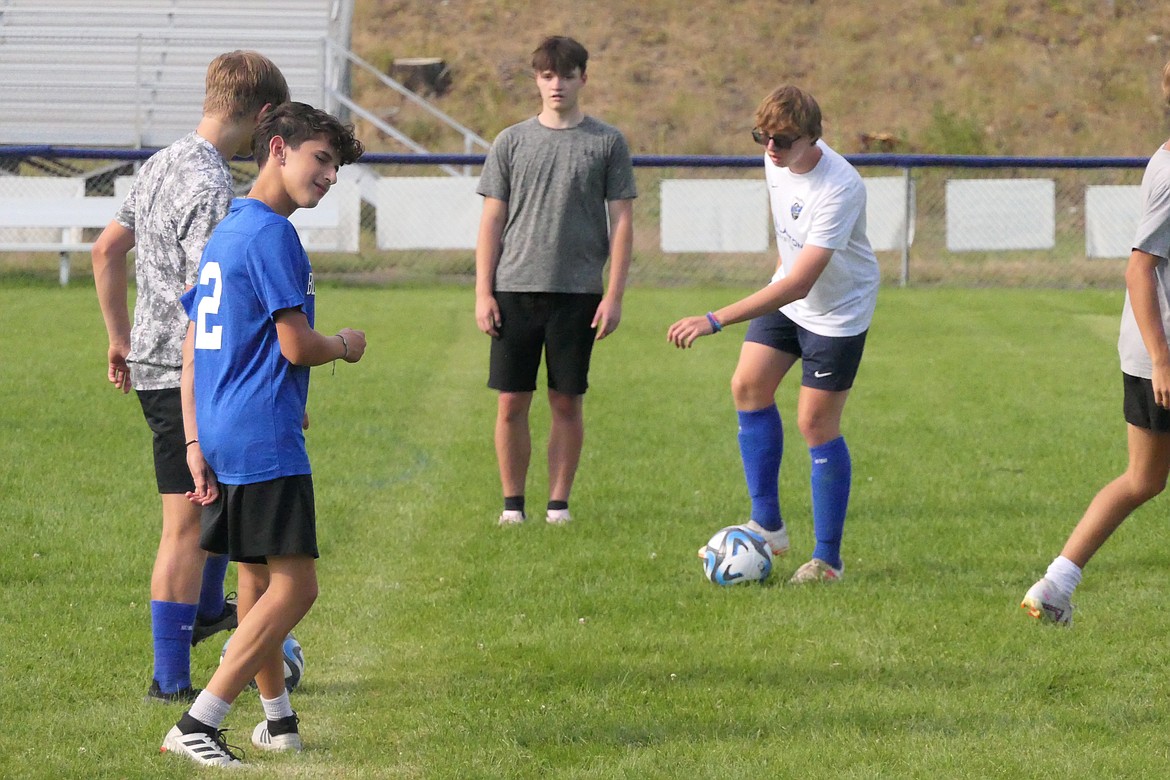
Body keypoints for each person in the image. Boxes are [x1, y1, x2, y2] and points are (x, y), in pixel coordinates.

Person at [159, 102, 366, 767]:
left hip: (221, 431)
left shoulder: (229, 230)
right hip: (260, 437)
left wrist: (193, 442)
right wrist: (345, 345)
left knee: (254, 580)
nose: (329, 176)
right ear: (278, 149)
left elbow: (194, 349)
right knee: (297, 587)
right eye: (322, 159)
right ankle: (201, 718)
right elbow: (296, 344)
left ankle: (278, 723)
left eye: (335, 165)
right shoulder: (275, 234)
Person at [91, 50, 289, 703]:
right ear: (263, 116)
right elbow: (212, 298)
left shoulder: (161, 163)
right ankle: (169, 681)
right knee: (183, 523)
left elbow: (106, 249)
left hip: (152, 358)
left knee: (216, 501)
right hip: (190, 370)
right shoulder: (210, 188)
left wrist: (121, 336)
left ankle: (208, 613)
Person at [667, 85, 879, 584]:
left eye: (783, 140)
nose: (770, 149)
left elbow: (804, 281)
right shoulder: (776, 162)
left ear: (813, 138)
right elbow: (790, 251)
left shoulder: (841, 186)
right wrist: (777, 279)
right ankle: (768, 526)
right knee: (748, 386)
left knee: (815, 424)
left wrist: (715, 318)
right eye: (762, 136)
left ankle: (828, 560)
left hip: (837, 312)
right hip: (787, 293)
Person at [1022, 60, 1170, 626]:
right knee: (1142, 479)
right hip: (1159, 352)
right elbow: (1139, 269)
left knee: (1144, 480)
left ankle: (1055, 585)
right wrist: (1160, 359)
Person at [475, 35, 636, 527]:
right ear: (537, 80)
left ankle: (558, 505)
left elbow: (623, 221)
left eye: (567, 75)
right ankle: (512, 506)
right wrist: (483, 290)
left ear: (583, 78)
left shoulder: (607, 143)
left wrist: (613, 294)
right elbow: (491, 221)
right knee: (510, 403)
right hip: (514, 289)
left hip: (580, 294)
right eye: (548, 75)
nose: (557, 84)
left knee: (567, 400)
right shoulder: (511, 141)